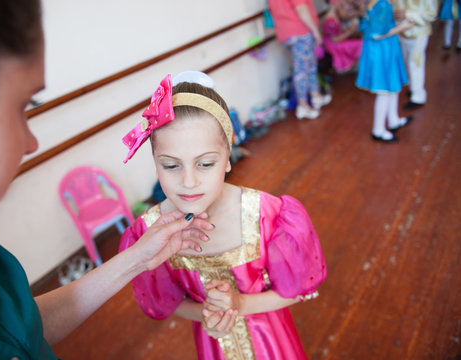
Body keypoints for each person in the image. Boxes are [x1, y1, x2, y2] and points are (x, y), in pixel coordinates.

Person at [0, 1, 214, 358]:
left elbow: (20, 332)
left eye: (206, 163)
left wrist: (137, 258)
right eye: (22, 106)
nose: (31, 144)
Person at [119, 72, 327, 359]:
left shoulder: (268, 215)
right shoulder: (148, 235)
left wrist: (239, 304)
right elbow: (167, 301)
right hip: (212, 346)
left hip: (273, 344)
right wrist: (206, 314)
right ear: (155, 160)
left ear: (228, 151)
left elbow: (293, 289)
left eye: (205, 163)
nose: (189, 182)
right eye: (170, 166)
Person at [355, 0, 415, 142]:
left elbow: (374, 24)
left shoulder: (376, 3)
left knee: (392, 88)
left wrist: (394, 18)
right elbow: (376, 34)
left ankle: (393, 120)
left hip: (385, 49)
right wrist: (403, 27)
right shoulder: (383, 4)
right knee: (385, 91)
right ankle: (378, 130)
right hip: (382, 50)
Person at [268, 0, 332, 120]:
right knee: (302, 69)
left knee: (309, 64)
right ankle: (302, 106)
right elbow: (301, 8)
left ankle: (316, 96)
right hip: (300, 32)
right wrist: (315, 30)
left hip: (285, 33)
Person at [393, 0, 438, 109]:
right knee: (407, 62)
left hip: (419, 33)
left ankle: (418, 96)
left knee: (415, 63)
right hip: (402, 32)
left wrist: (408, 14)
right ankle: (413, 87)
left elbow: (431, 14)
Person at [322, 0, 364, 74]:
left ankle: (357, 65)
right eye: (340, 4)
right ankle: (353, 66)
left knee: (361, 41)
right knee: (361, 43)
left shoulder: (334, 16)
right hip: (332, 45)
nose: (342, 5)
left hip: (335, 41)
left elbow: (337, 31)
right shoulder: (330, 20)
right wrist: (350, 32)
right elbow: (334, 39)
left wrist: (346, 30)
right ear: (334, 4)